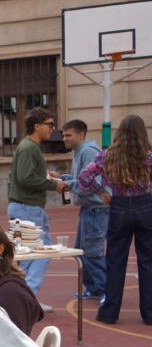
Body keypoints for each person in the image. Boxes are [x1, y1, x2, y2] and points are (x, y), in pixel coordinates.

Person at [77, 114, 152, 325]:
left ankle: (109, 312)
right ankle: (149, 313)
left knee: (115, 261)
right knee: (147, 261)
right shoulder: (148, 157)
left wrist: (100, 190)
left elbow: (84, 177)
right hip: (145, 206)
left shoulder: (107, 156)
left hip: (118, 208)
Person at [7, 108, 66, 304]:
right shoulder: (29, 147)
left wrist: (46, 175)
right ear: (37, 126)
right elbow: (25, 178)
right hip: (27, 208)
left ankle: (22, 296)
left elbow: (24, 175)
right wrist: (52, 184)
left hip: (24, 207)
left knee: (27, 255)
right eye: (49, 124)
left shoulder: (28, 147)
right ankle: (27, 297)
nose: (53, 128)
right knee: (40, 252)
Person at [58, 119, 108, 300]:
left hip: (96, 209)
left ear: (81, 135)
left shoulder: (87, 152)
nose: (64, 139)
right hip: (88, 209)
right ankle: (95, 288)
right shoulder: (79, 152)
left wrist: (67, 184)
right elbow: (79, 177)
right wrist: (63, 178)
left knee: (92, 252)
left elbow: (91, 183)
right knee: (80, 250)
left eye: (68, 135)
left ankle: (105, 290)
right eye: (63, 135)